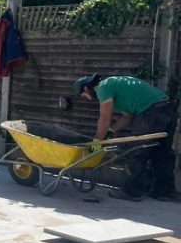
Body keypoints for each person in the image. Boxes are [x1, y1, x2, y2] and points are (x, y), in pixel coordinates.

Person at [74, 73, 177, 201]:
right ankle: (163, 192)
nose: (88, 98)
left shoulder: (103, 87)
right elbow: (126, 118)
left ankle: (131, 191)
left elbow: (105, 117)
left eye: (84, 96)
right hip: (167, 108)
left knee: (137, 151)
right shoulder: (116, 86)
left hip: (151, 111)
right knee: (162, 152)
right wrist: (111, 131)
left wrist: (97, 142)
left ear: (86, 88)